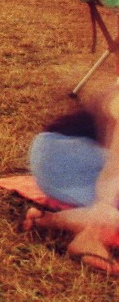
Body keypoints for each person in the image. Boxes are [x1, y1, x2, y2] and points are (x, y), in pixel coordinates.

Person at [23, 79, 119, 275]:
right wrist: (103, 215)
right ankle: (89, 239)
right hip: (64, 153)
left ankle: (45, 220)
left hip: (64, 161)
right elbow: (114, 167)